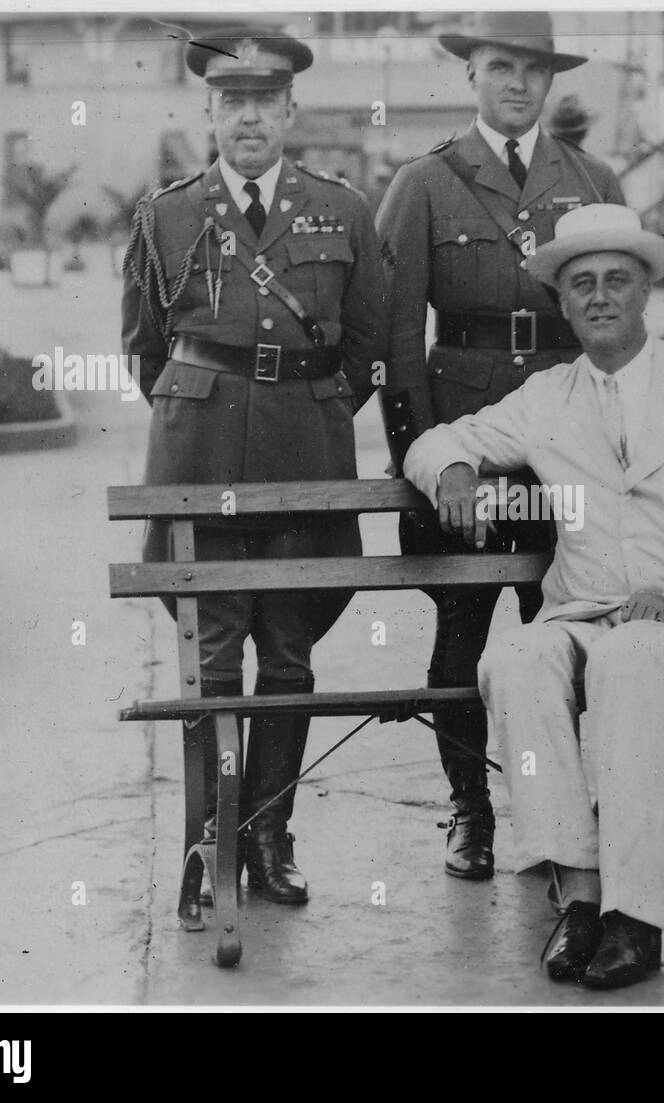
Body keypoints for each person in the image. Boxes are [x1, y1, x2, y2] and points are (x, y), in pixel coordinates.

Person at [403, 204, 664, 989]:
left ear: (647, 288)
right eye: (582, 284)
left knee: (632, 658)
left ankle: (637, 919)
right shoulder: (547, 396)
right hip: (586, 616)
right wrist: (451, 470)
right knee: (513, 654)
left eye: (618, 279)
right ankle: (579, 898)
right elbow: (438, 440)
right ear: (563, 301)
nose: (600, 296)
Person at [122, 27, 388, 904]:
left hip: (305, 453)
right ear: (210, 110)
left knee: (289, 647)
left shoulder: (343, 210)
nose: (248, 118)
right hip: (199, 457)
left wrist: (307, 407)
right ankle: (211, 837)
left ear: (289, 111)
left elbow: (366, 343)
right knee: (212, 647)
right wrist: (206, 405)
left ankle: (269, 832)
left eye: (263, 103)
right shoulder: (166, 214)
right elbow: (144, 348)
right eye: (231, 102)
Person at [375, 12, 625, 881]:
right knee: (460, 637)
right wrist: (424, 453)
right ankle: (469, 811)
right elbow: (399, 339)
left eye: (531, 70)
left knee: (570, 630)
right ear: (471, 73)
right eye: (499, 67)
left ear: (550, 81)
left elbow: (616, 325)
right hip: (464, 445)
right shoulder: (426, 183)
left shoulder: (591, 180)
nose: (516, 84)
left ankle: (562, 810)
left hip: (566, 442)